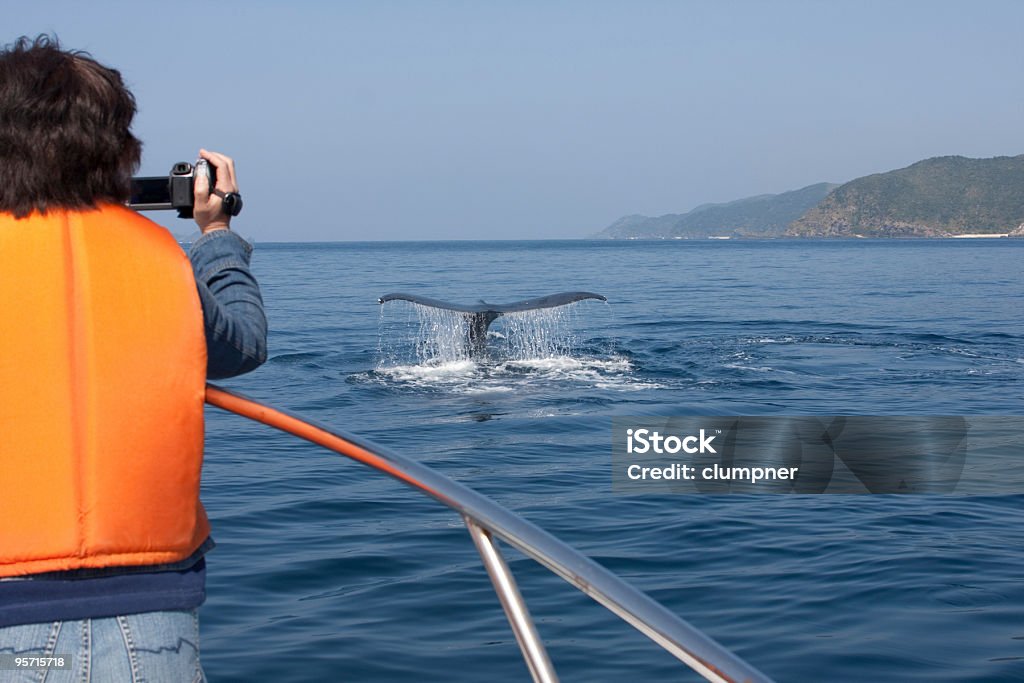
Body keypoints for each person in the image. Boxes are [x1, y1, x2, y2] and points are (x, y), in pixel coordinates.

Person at [0, 35, 267, 681]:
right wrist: (217, 235)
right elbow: (244, 344)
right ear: (119, 151)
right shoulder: (164, 263)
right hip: (153, 616)